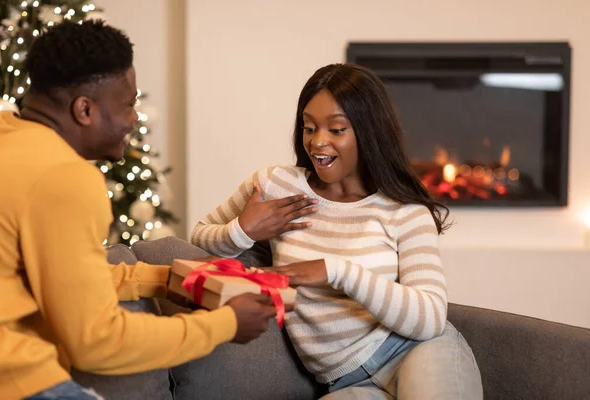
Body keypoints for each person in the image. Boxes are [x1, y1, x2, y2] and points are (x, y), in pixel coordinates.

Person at [0, 20, 277, 400]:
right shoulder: (63, 177)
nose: (135, 118)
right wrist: (226, 324)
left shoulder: (1, 133)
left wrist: (167, 279)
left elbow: (65, 279)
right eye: (129, 104)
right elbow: (96, 341)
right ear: (84, 110)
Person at [190, 63, 483, 399]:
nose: (318, 142)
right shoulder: (276, 185)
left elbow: (430, 317)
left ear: (368, 132)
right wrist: (244, 229)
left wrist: (336, 272)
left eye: (337, 129)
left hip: (419, 352)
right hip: (347, 383)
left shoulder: (405, 210)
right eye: (309, 127)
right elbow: (199, 236)